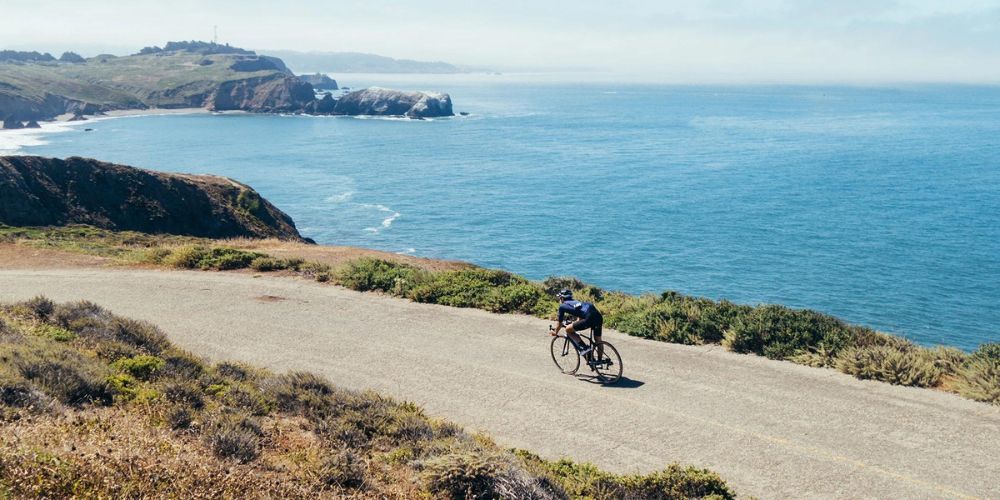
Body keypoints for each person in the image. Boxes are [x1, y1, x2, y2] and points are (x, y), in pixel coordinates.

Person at [550, 289, 603, 358]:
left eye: (560, 298)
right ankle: (599, 361)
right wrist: (574, 323)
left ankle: (585, 348)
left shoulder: (562, 306)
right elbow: (581, 316)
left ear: (562, 298)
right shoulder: (577, 302)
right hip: (598, 316)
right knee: (598, 340)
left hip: (589, 317)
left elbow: (559, 323)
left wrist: (555, 332)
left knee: (568, 329)